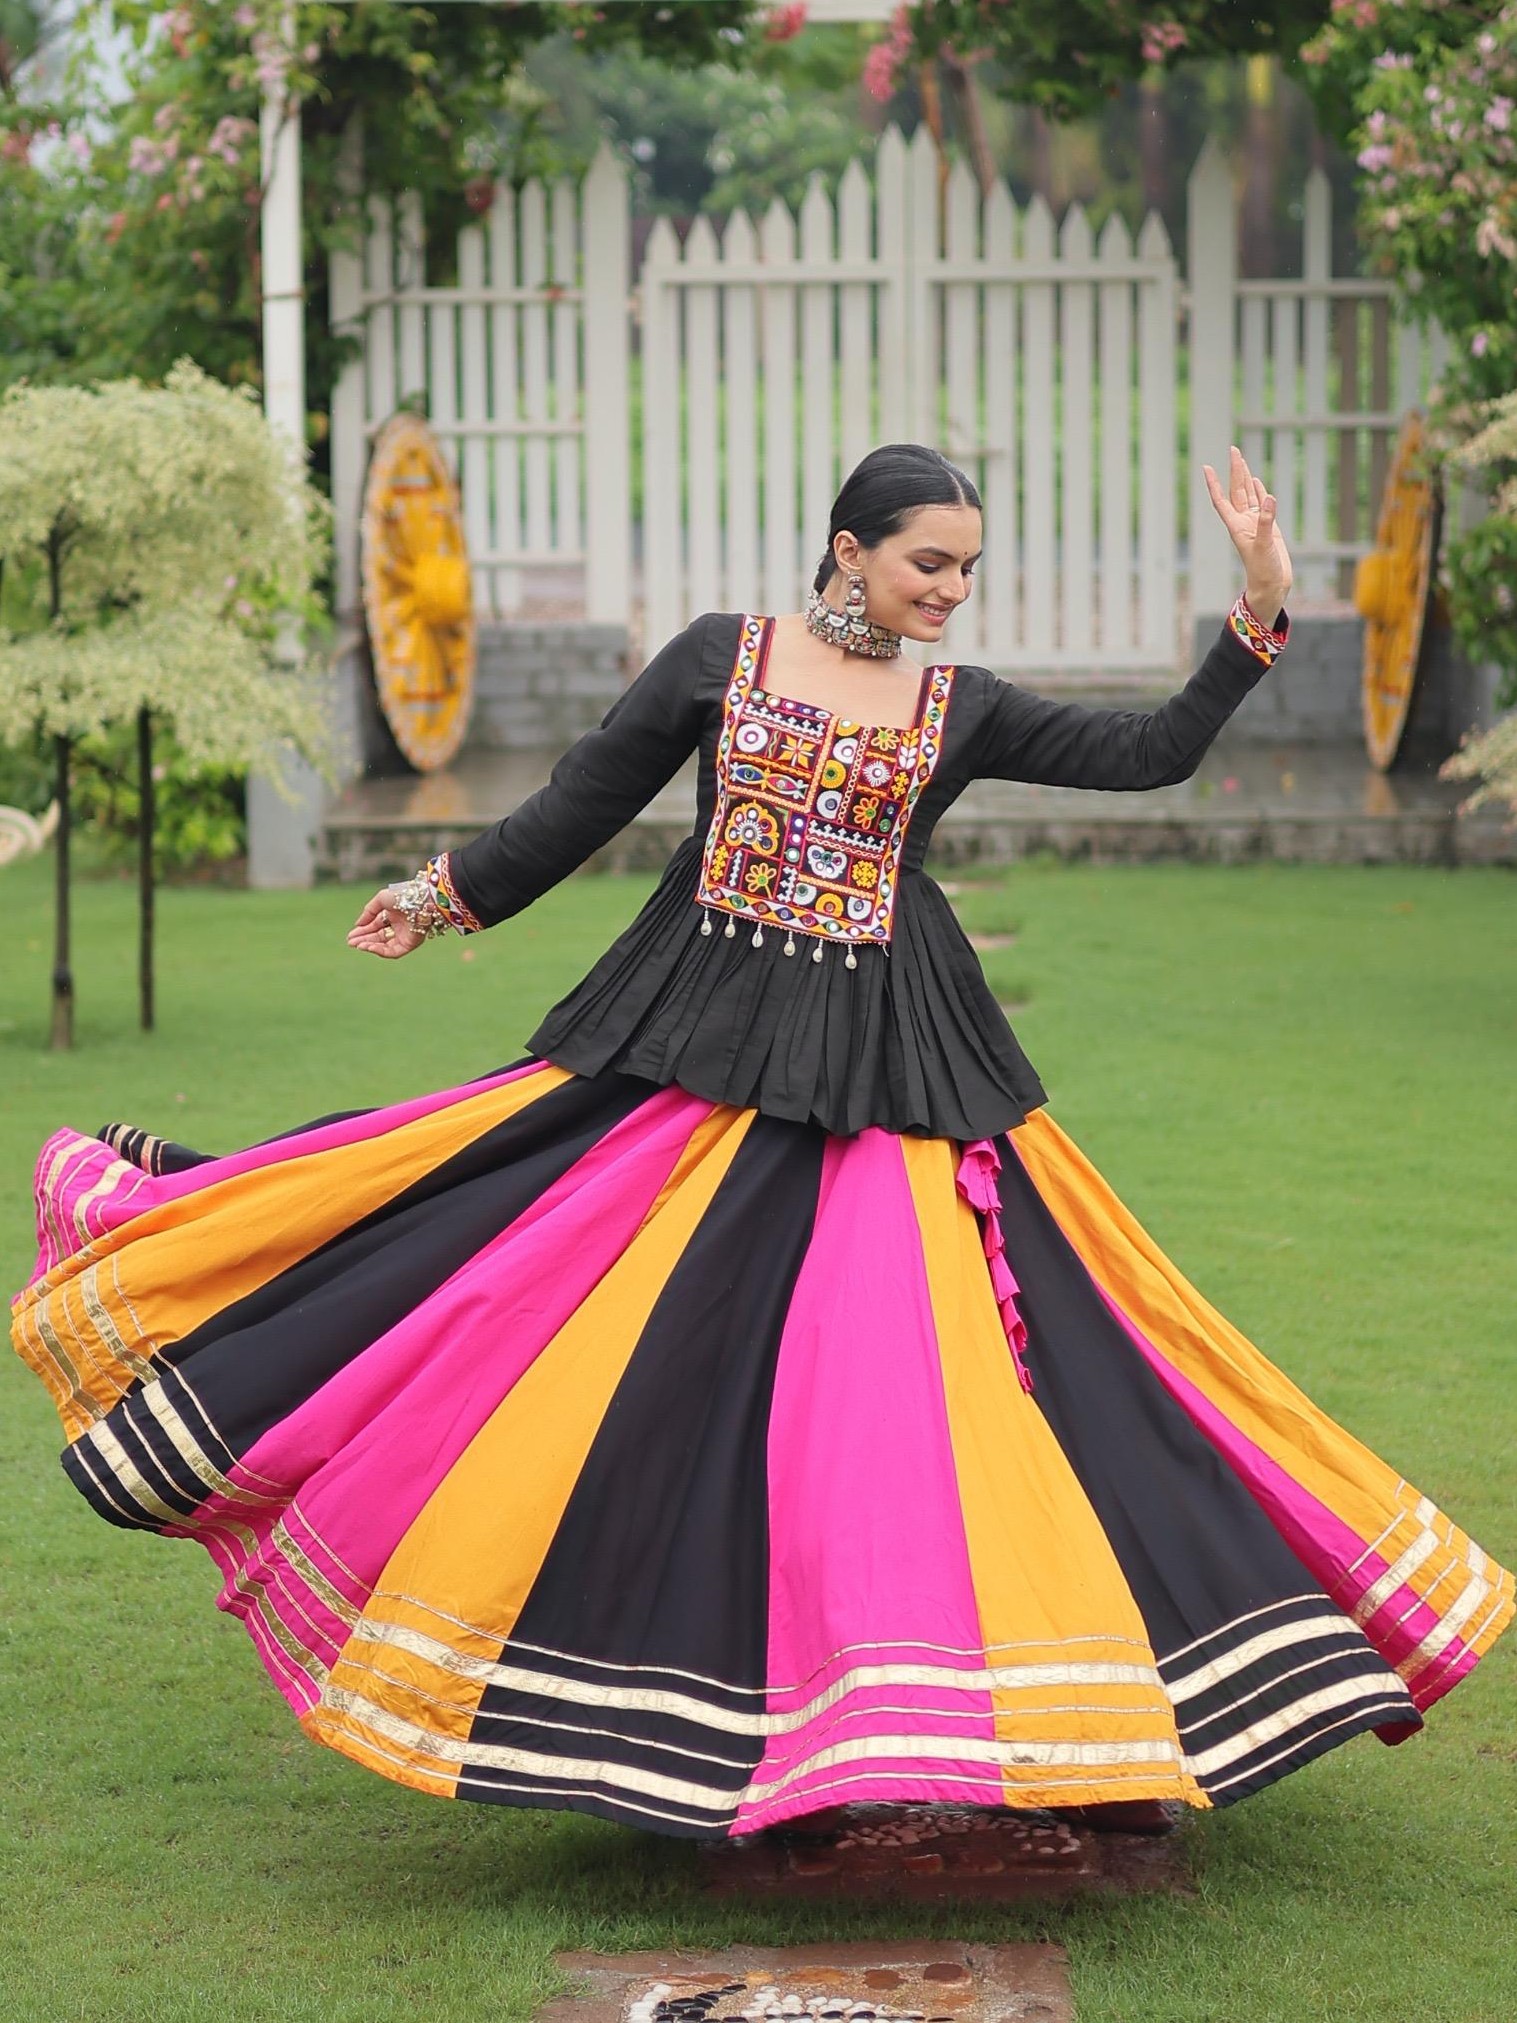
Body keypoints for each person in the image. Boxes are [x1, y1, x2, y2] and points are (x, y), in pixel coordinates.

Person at [13, 444, 1510, 1848]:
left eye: (966, 570)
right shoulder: (719, 659)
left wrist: (1255, 601)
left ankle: (939, 1691)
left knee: (916, 1375)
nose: (947, 592)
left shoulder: (959, 704)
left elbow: (1155, 751)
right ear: (846, 552)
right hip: (698, 1038)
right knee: (553, 1295)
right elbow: (582, 798)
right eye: (927, 564)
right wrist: (443, 892)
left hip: (891, 1062)